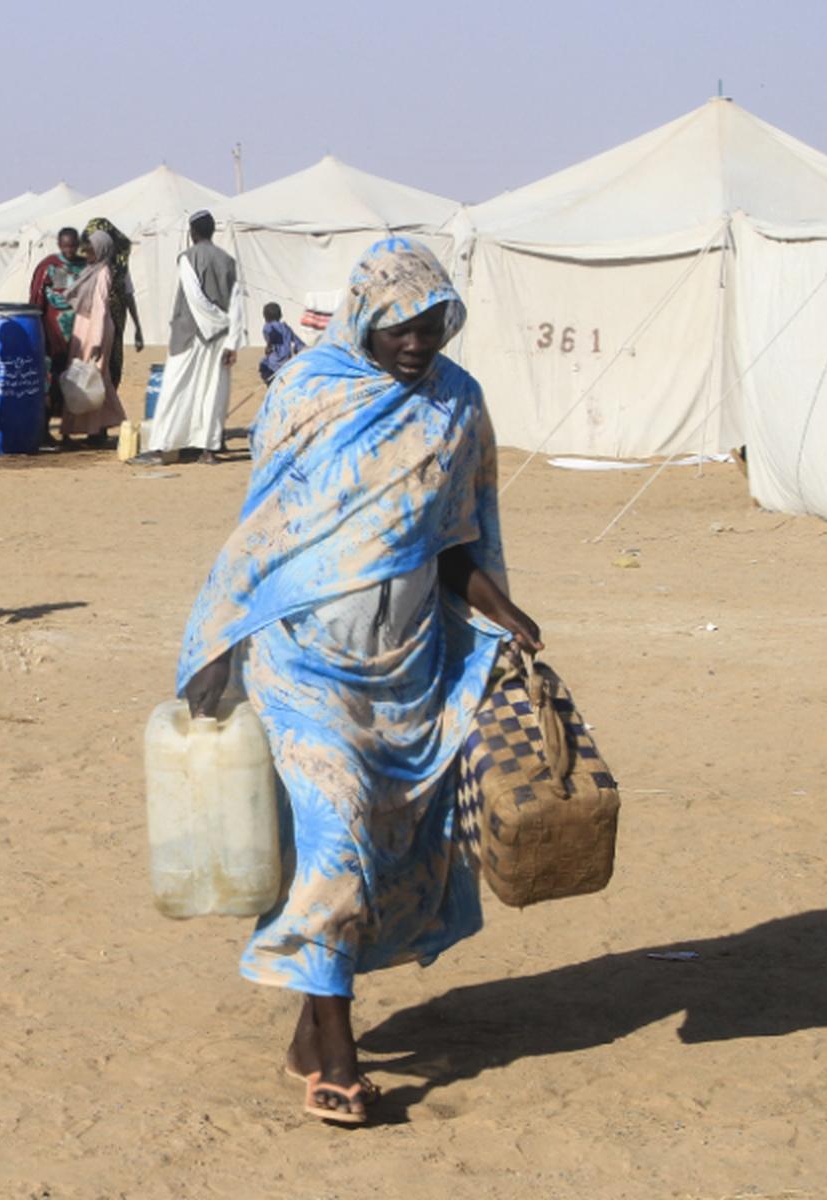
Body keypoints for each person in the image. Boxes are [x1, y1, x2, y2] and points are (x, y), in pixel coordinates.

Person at [175, 238, 543, 1125]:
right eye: (399, 323)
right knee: (339, 837)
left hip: (408, 668)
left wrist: (507, 614)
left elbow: (454, 541)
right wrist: (220, 639)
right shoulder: (309, 392)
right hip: (302, 661)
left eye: (431, 323)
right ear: (364, 314)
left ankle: (312, 1025)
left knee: (377, 852)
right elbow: (267, 525)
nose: (417, 340)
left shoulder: (457, 406)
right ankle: (338, 1060)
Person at [134, 211, 243, 466]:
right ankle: (207, 450)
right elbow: (237, 304)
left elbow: (195, 299)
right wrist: (231, 340)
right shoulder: (228, 261)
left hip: (192, 334)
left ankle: (161, 449)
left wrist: (215, 324)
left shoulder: (187, 259)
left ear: (192, 233)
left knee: (175, 390)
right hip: (219, 338)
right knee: (213, 392)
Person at [59, 230, 126, 445]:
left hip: (95, 330)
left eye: (91, 248)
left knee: (93, 377)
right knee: (79, 376)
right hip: (84, 326)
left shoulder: (104, 271)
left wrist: (96, 341)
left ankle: (95, 430)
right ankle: (83, 429)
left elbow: (100, 307)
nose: (86, 251)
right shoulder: (91, 270)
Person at [28, 227, 83, 430]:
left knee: (75, 379)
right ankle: (44, 427)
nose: (70, 250)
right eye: (66, 246)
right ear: (59, 245)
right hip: (53, 333)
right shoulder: (49, 266)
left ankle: (70, 427)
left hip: (78, 333)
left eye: (73, 246)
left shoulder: (84, 266)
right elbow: (37, 299)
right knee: (50, 381)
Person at [81, 218, 144, 385]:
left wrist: (138, 327)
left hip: (113, 326)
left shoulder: (119, 268)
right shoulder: (84, 267)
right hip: (89, 328)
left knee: (112, 367)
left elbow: (128, 294)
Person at [259, 302, 306, 384]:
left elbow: (271, 335)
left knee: (263, 366)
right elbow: (298, 342)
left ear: (265, 317)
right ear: (280, 315)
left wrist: (268, 346)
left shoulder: (268, 326)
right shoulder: (286, 327)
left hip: (274, 364)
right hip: (287, 363)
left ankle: (270, 384)